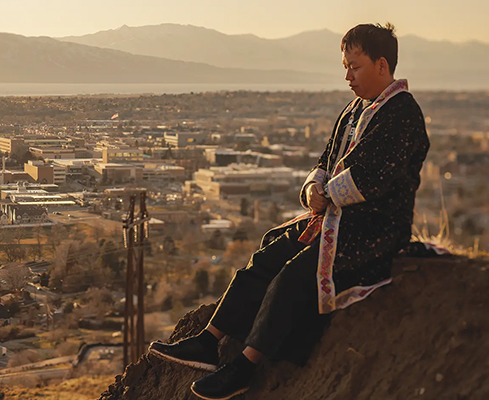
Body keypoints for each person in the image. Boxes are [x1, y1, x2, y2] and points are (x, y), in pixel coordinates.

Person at [149, 23, 430, 400]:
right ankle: (208, 341)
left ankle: (245, 367)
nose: (347, 76)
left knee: (297, 273)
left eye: (355, 67)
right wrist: (314, 187)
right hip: (334, 218)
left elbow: (371, 180)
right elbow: (326, 159)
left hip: (375, 228)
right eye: (345, 66)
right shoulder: (354, 111)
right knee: (268, 256)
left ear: (382, 65)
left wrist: (325, 194)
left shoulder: (402, 114)